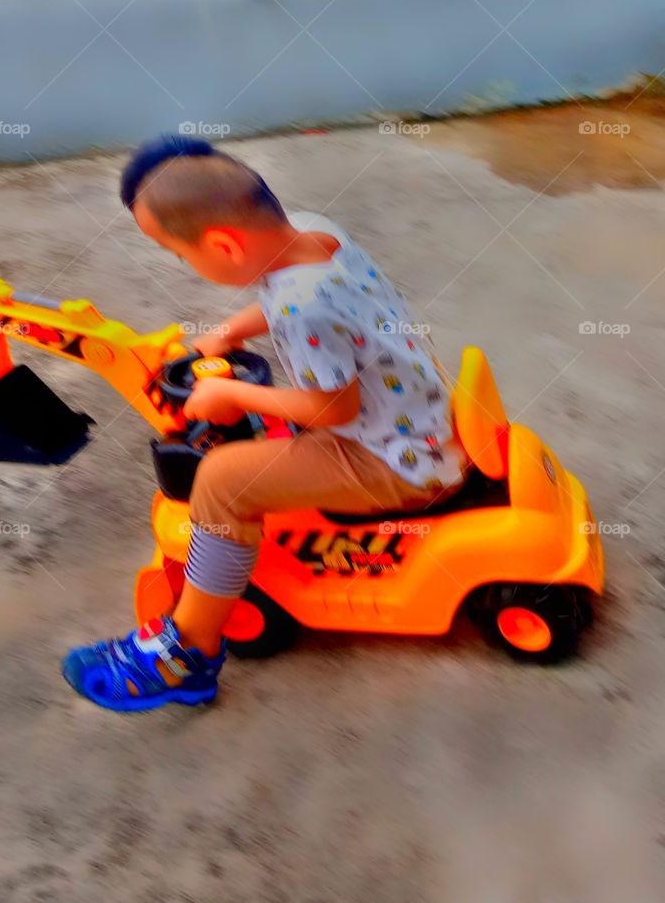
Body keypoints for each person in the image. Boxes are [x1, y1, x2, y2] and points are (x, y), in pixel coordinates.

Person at [61, 135, 467, 711]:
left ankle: (189, 654)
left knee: (222, 481)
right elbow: (290, 299)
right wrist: (232, 329)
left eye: (180, 254)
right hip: (416, 418)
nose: (183, 263)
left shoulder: (305, 309)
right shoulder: (314, 233)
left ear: (225, 246)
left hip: (391, 459)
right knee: (267, 432)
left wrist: (229, 392)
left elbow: (334, 409)